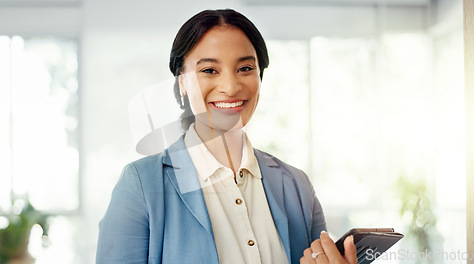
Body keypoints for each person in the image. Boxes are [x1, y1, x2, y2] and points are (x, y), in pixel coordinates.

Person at [96, 8, 357, 264]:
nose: (231, 87)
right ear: (182, 83)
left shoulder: (297, 186)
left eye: (245, 68)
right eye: (209, 70)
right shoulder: (141, 186)